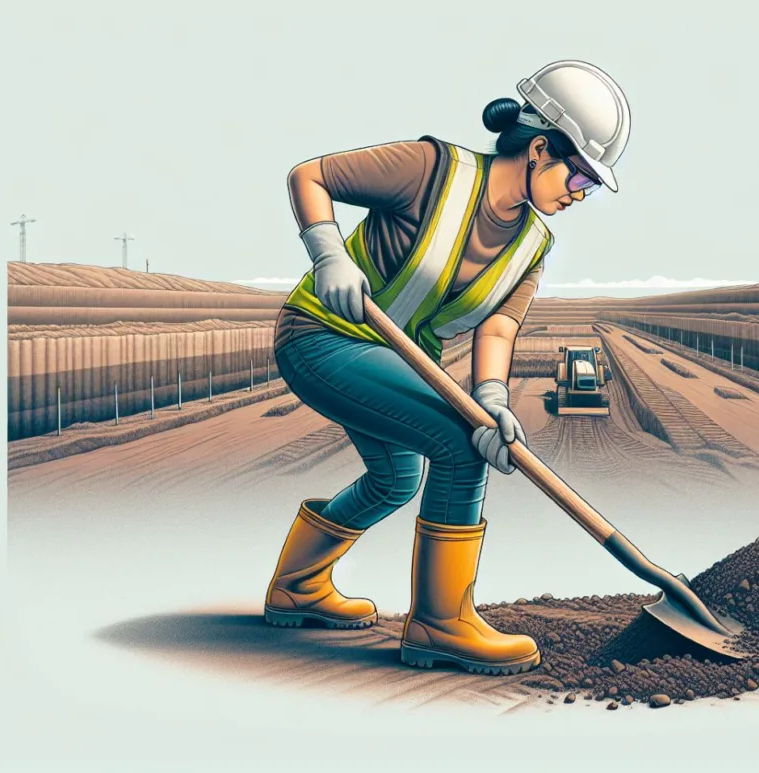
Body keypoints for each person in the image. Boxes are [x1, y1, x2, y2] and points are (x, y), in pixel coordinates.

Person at [264, 61, 631, 676]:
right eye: (582, 176)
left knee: (395, 480)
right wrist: (329, 254)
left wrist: (492, 398)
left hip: (391, 359)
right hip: (322, 336)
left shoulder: (532, 246)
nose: (580, 193)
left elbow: (498, 326)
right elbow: (311, 176)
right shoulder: (432, 169)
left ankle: (295, 588)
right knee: (459, 449)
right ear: (540, 148)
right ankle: (440, 622)